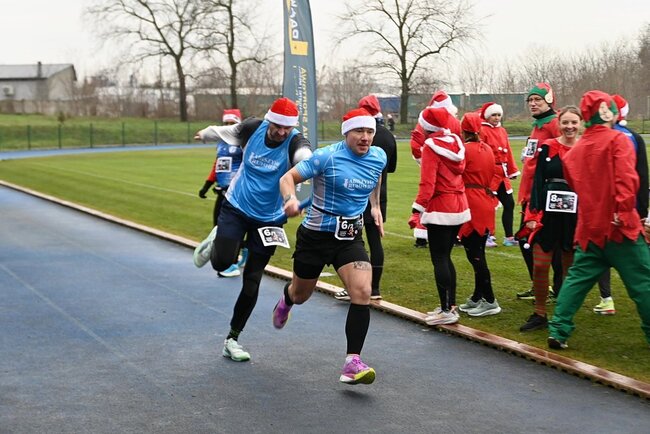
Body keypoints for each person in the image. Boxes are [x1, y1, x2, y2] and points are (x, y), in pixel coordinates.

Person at [192, 97, 313, 362]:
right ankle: (219, 238)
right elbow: (225, 132)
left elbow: (305, 159)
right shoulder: (253, 128)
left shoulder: (295, 141)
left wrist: (293, 197)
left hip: (270, 218)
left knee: (252, 280)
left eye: (287, 128)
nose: (281, 132)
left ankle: (232, 339)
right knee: (222, 263)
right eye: (277, 126)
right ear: (269, 120)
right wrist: (205, 133)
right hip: (236, 205)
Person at [272, 108, 387, 385]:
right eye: (359, 131)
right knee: (301, 294)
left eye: (369, 131)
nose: (365, 137)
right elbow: (287, 179)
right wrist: (290, 200)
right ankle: (287, 299)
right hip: (315, 237)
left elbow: (376, 178)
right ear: (346, 132)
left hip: (349, 237)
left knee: (362, 291)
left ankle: (352, 363)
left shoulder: (378, 156)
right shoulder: (326, 156)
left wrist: (374, 206)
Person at [547, 90, 650, 350]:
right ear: (607, 112)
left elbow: (575, 186)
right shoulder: (618, 140)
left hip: (589, 228)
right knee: (643, 282)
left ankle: (558, 330)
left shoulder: (575, 150)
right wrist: (624, 212)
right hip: (620, 228)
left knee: (576, 281)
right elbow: (627, 180)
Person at [518, 106, 581, 332]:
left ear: (580, 124)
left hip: (573, 216)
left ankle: (563, 315)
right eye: (565, 122)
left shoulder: (585, 148)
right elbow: (537, 181)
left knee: (568, 270)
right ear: (559, 124)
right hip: (547, 213)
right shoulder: (548, 146)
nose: (569, 126)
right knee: (540, 265)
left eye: (574, 122)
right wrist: (532, 215)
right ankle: (540, 313)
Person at [408, 107, 470, 325]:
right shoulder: (456, 141)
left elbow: (428, 184)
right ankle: (449, 306)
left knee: (440, 258)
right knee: (446, 257)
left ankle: (446, 310)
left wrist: (416, 210)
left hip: (441, 208)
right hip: (459, 205)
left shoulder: (430, 147)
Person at [334, 95, 397, 301]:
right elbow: (392, 167)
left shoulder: (356, 133)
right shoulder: (387, 135)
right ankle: (374, 288)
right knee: (374, 241)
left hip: (357, 194)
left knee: (353, 242)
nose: (365, 137)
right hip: (379, 194)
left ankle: (356, 286)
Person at [592, 94, 649, 315]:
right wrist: (641, 209)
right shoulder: (633, 137)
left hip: (607, 209)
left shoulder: (603, 137)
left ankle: (606, 299)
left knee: (596, 255)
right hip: (629, 208)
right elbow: (641, 177)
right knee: (637, 262)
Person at [516, 83, 564, 301]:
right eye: (530, 100)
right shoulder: (537, 125)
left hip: (543, 194)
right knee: (528, 240)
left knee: (549, 242)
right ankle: (540, 285)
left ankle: (557, 289)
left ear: (549, 101)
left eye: (538, 99)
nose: (533, 104)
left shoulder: (554, 123)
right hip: (531, 192)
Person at [456, 112, 501, 316]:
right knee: (478, 251)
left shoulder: (465, 149)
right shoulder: (487, 148)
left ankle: (490, 299)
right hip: (484, 199)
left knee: (475, 254)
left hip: (471, 200)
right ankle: (477, 296)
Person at [196, 108, 246, 277]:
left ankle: (231, 264)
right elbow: (218, 165)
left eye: (232, 123)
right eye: (226, 123)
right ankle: (244, 251)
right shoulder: (221, 142)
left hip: (236, 193)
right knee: (217, 227)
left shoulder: (243, 141)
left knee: (229, 229)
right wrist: (207, 185)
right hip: (222, 191)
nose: (228, 126)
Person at [409, 90, 461, 248]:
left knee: (428, 196)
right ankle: (454, 234)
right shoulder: (454, 122)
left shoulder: (425, 121)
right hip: (452, 169)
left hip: (432, 163)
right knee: (452, 198)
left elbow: (416, 146)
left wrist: (423, 158)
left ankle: (422, 234)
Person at [478, 102, 519, 247]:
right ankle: (487, 235)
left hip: (502, 173)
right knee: (488, 206)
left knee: (509, 203)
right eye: (493, 115)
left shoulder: (502, 130)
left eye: (498, 115)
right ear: (487, 116)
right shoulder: (482, 130)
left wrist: (512, 170)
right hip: (489, 173)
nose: (496, 118)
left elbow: (508, 151)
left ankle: (509, 237)